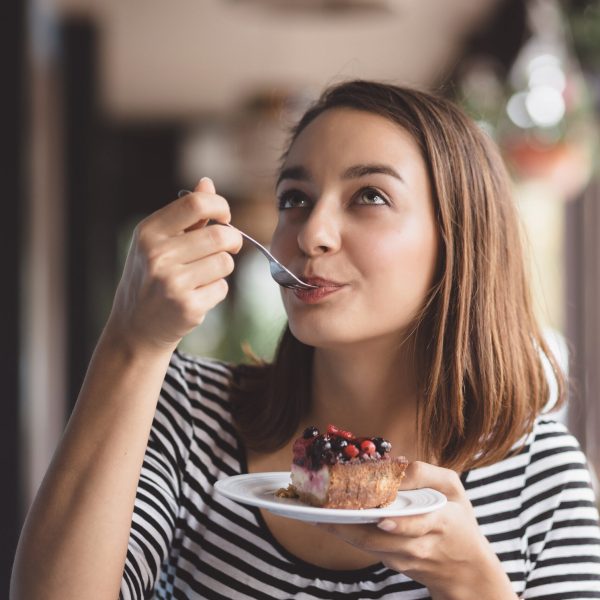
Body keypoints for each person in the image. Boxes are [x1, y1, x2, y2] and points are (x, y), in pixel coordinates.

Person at [11, 80, 600, 600]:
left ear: (459, 241)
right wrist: (132, 340)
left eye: (369, 196)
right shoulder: (190, 412)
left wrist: (472, 584)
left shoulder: (538, 475)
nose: (311, 233)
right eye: (295, 199)